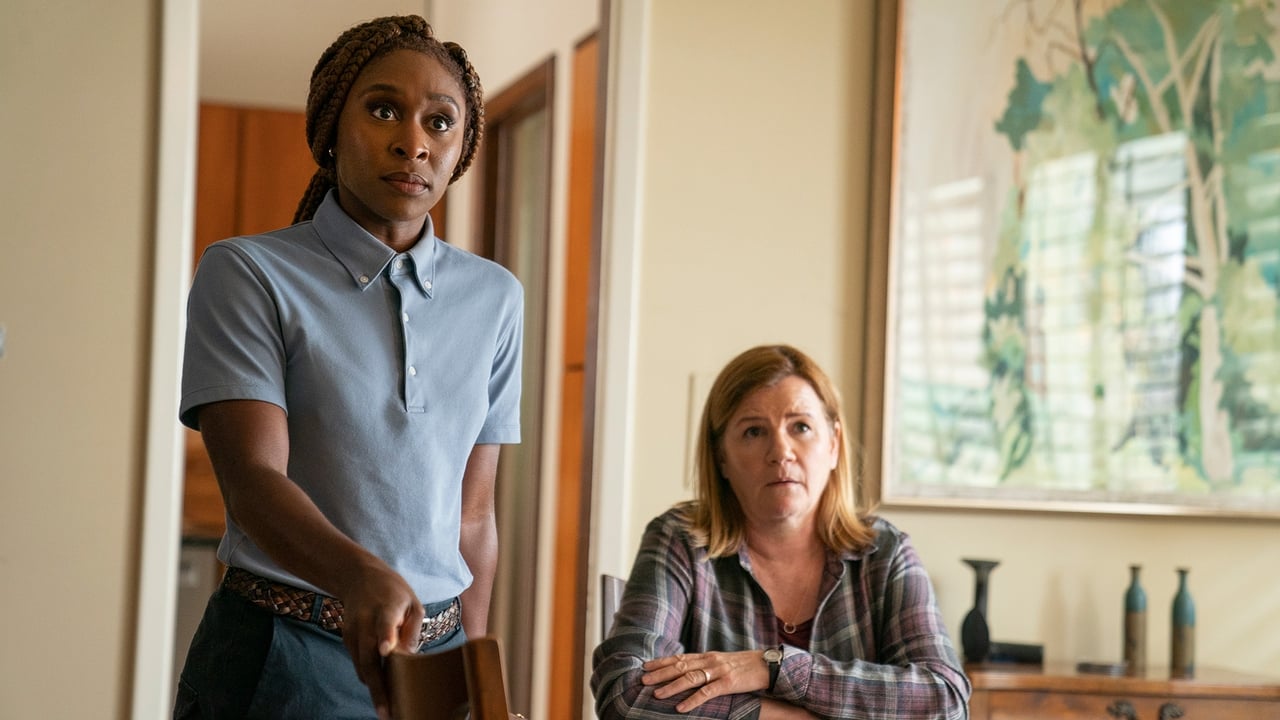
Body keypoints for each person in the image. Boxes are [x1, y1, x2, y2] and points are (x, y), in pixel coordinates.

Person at [173, 15, 523, 720]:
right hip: (284, 652)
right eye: (384, 109)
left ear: (461, 149)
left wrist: (472, 683)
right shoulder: (248, 272)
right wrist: (360, 576)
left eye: (440, 122)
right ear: (332, 125)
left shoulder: (495, 297)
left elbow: (474, 516)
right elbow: (253, 482)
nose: (413, 142)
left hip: (435, 654)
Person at [592, 345, 971, 719]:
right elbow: (626, 695)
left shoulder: (884, 551)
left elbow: (946, 702)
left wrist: (773, 667)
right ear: (721, 457)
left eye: (801, 427)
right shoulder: (679, 539)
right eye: (754, 431)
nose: (781, 451)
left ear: (833, 445)